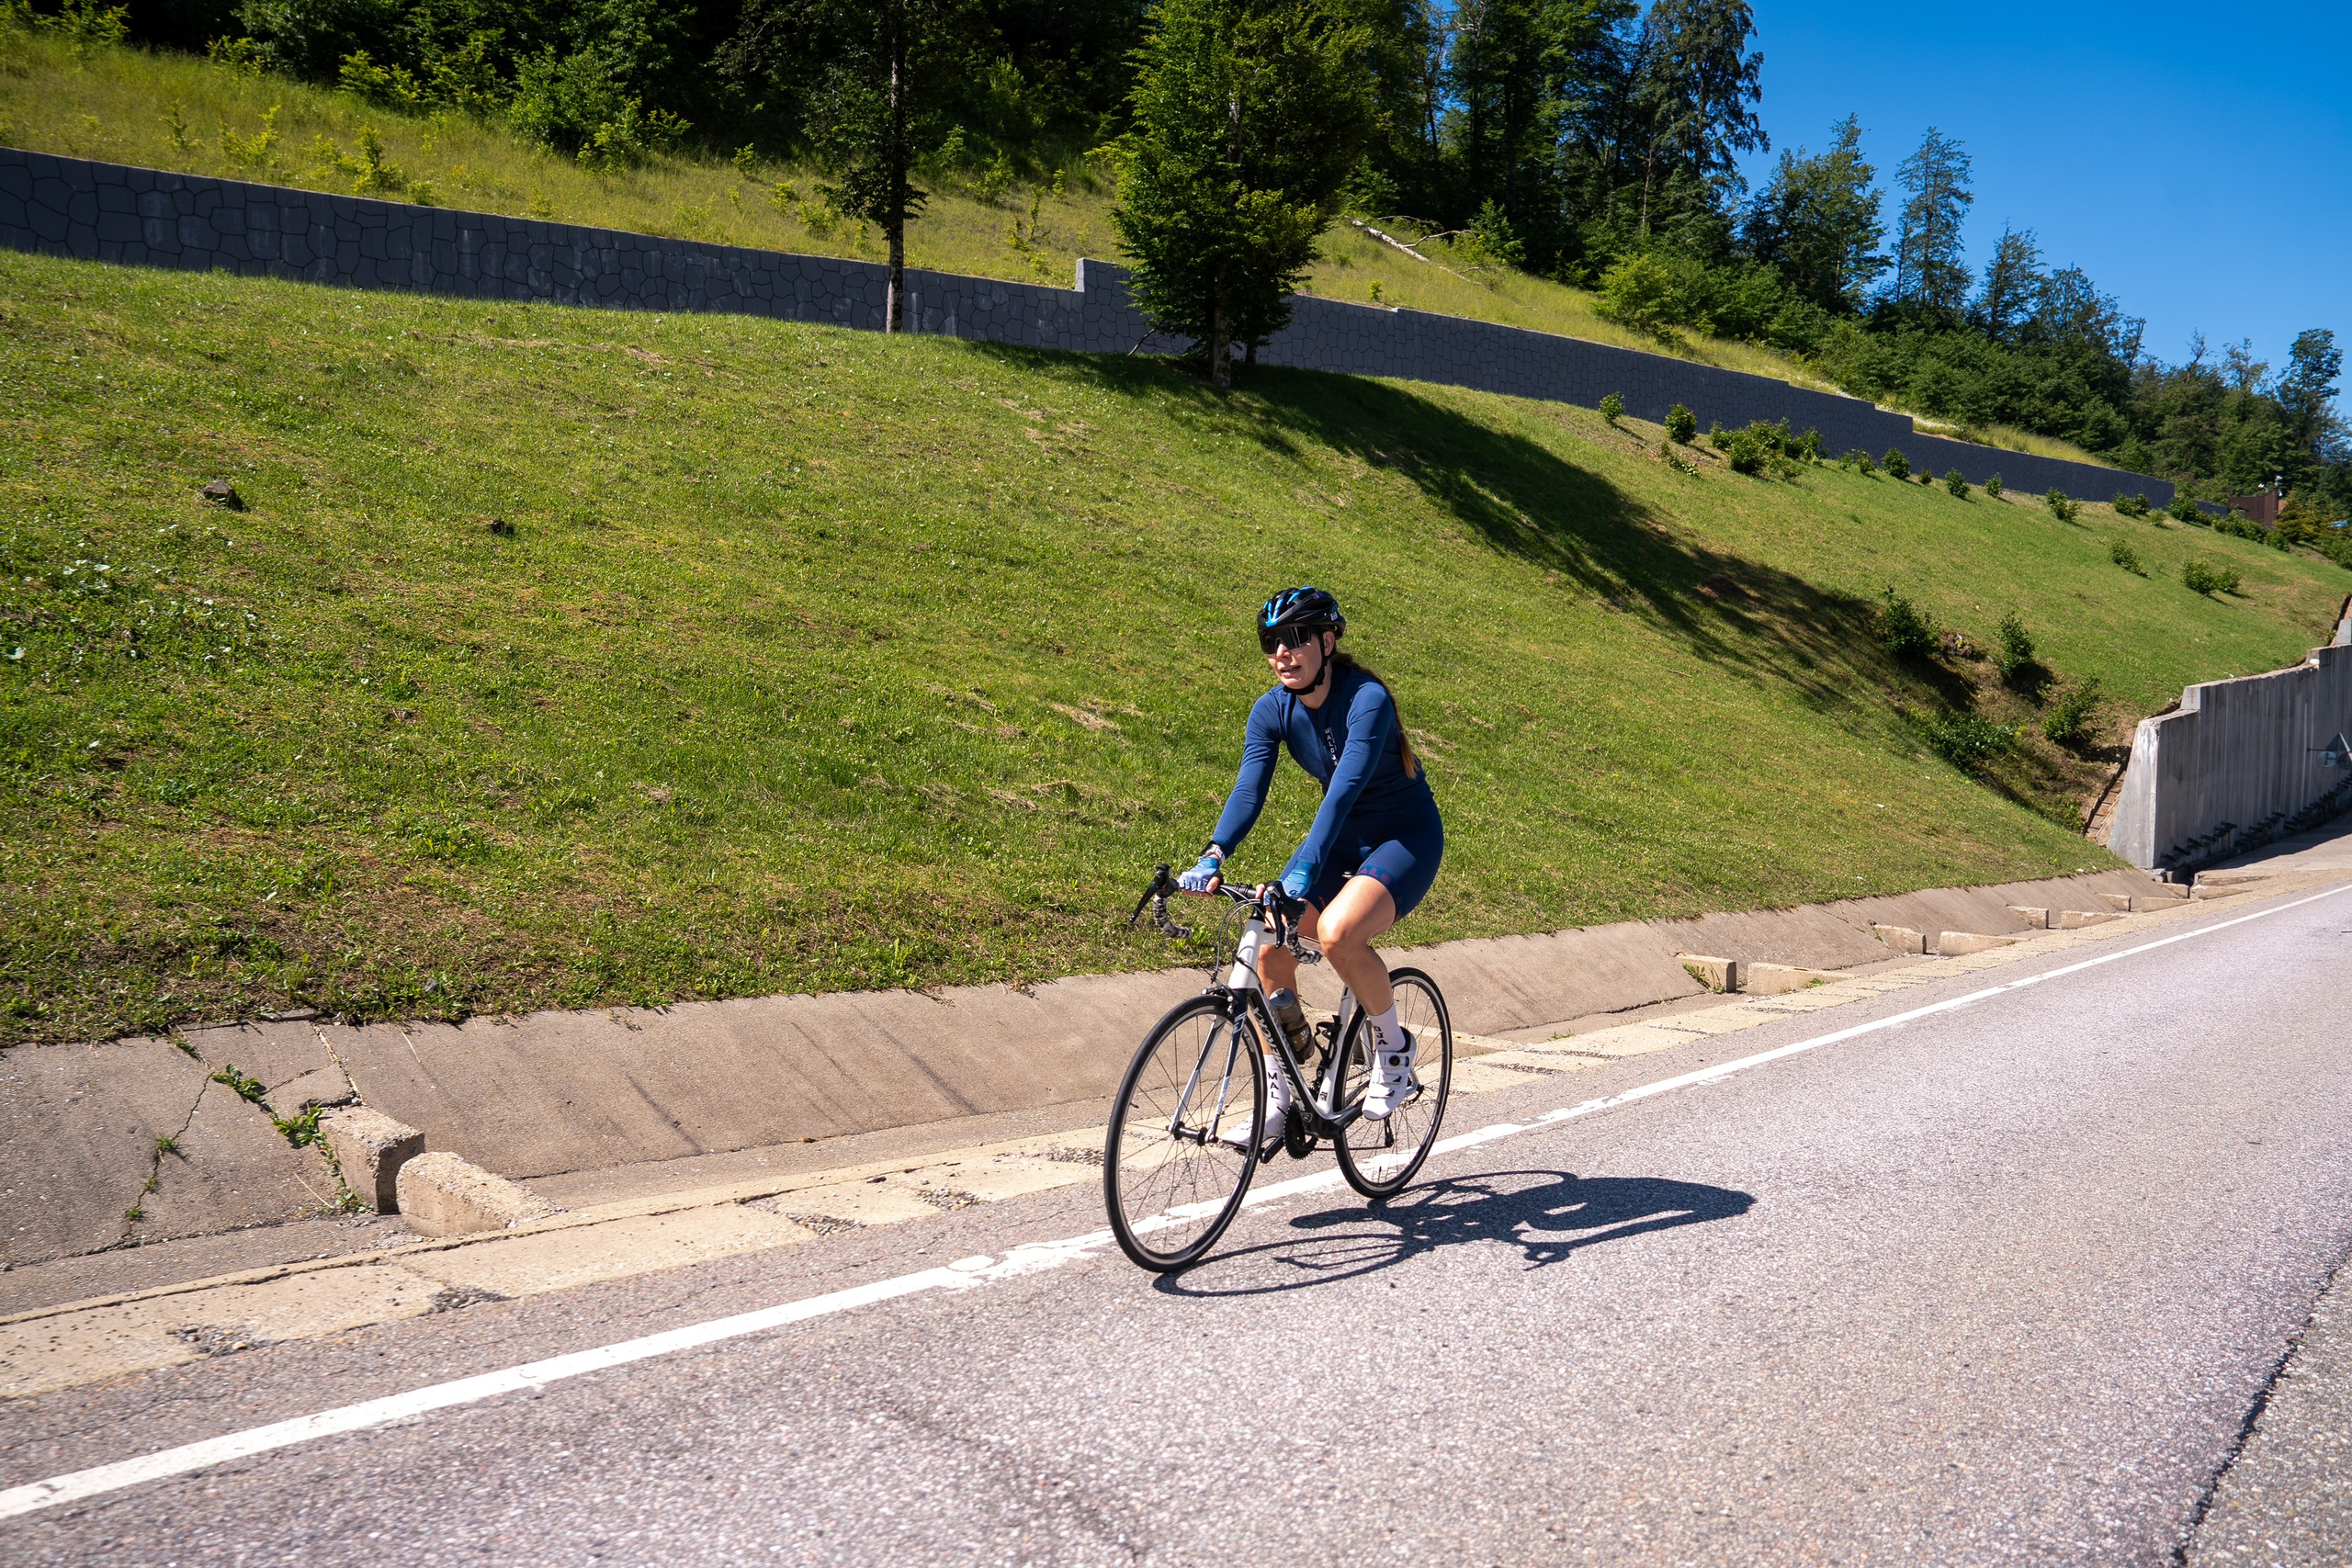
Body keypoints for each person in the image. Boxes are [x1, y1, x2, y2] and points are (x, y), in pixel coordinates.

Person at [1177, 586, 1443, 1145]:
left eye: (1296, 640)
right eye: (1272, 643)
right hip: (1341, 839)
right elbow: (1250, 787)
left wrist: (1300, 872)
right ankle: (1285, 1088)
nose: (1283, 653)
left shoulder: (1366, 698)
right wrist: (1214, 852)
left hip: (1403, 838)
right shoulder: (1273, 708)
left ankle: (1394, 1051)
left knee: (1337, 934)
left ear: (1327, 642)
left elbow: (1343, 792)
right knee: (1269, 949)